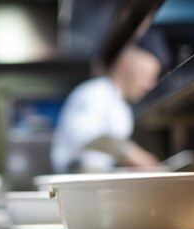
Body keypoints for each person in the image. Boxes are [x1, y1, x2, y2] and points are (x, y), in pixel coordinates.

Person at [50, 29, 171, 173]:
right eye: (146, 75)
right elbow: (84, 136)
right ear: (124, 64)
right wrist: (133, 154)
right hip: (74, 179)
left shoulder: (122, 108)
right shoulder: (95, 93)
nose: (149, 85)